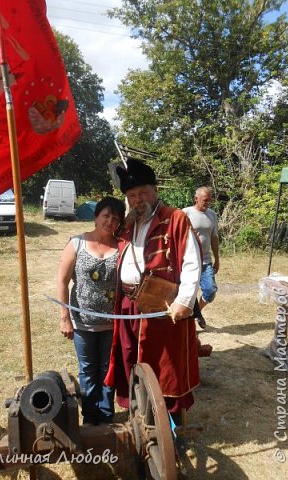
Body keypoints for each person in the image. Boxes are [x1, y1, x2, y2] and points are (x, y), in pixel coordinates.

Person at [105, 159, 202, 424]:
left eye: (143, 193)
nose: (138, 200)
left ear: (155, 190)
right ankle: (139, 411)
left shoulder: (176, 218)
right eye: (132, 195)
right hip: (128, 304)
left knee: (165, 366)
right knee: (130, 358)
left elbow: (193, 261)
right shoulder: (128, 224)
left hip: (163, 307)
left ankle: (168, 427)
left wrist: (185, 301)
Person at [57, 196, 125, 425]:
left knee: (107, 370)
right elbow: (62, 281)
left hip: (112, 324)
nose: (110, 221)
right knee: (87, 371)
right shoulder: (76, 243)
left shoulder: (122, 247)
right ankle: (89, 417)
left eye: (115, 218)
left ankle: (106, 416)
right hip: (82, 322)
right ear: (96, 217)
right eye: (106, 215)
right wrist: (65, 318)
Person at [183, 187, 219, 329]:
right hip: (188, 262)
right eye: (205, 200)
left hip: (206, 261)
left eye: (209, 201)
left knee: (210, 291)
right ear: (196, 198)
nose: (207, 203)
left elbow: (214, 237)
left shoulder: (212, 215)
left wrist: (217, 258)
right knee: (188, 292)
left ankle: (198, 311)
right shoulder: (185, 213)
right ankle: (194, 317)